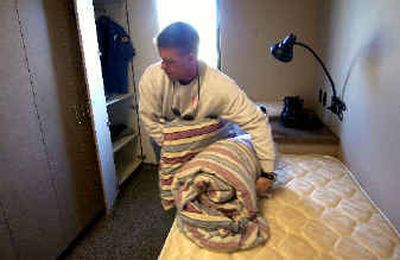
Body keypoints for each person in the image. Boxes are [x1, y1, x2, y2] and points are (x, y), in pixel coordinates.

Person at [139, 22, 276, 193]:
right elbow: (149, 119)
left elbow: (257, 122)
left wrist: (267, 173)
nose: (163, 66)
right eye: (162, 59)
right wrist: (175, 147)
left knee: (209, 190)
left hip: (209, 143)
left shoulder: (220, 86)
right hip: (167, 140)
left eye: (170, 61)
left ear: (191, 58)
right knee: (175, 189)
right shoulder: (152, 77)